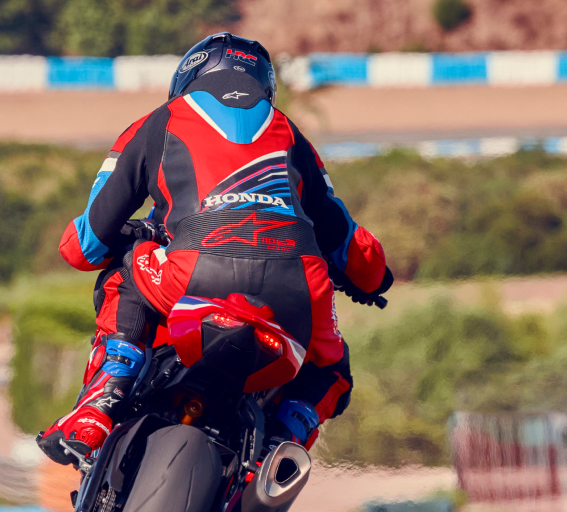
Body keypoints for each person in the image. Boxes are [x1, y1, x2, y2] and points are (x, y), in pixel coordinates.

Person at [37, 32, 392, 466]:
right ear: (266, 86)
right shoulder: (289, 134)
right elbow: (352, 246)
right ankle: (281, 446)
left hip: (189, 275)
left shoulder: (159, 120)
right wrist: (376, 279)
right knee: (332, 369)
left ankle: (103, 399)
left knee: (125, 268)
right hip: (299, 291)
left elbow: (83, 248)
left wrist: (132, 236)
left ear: (184, 80)